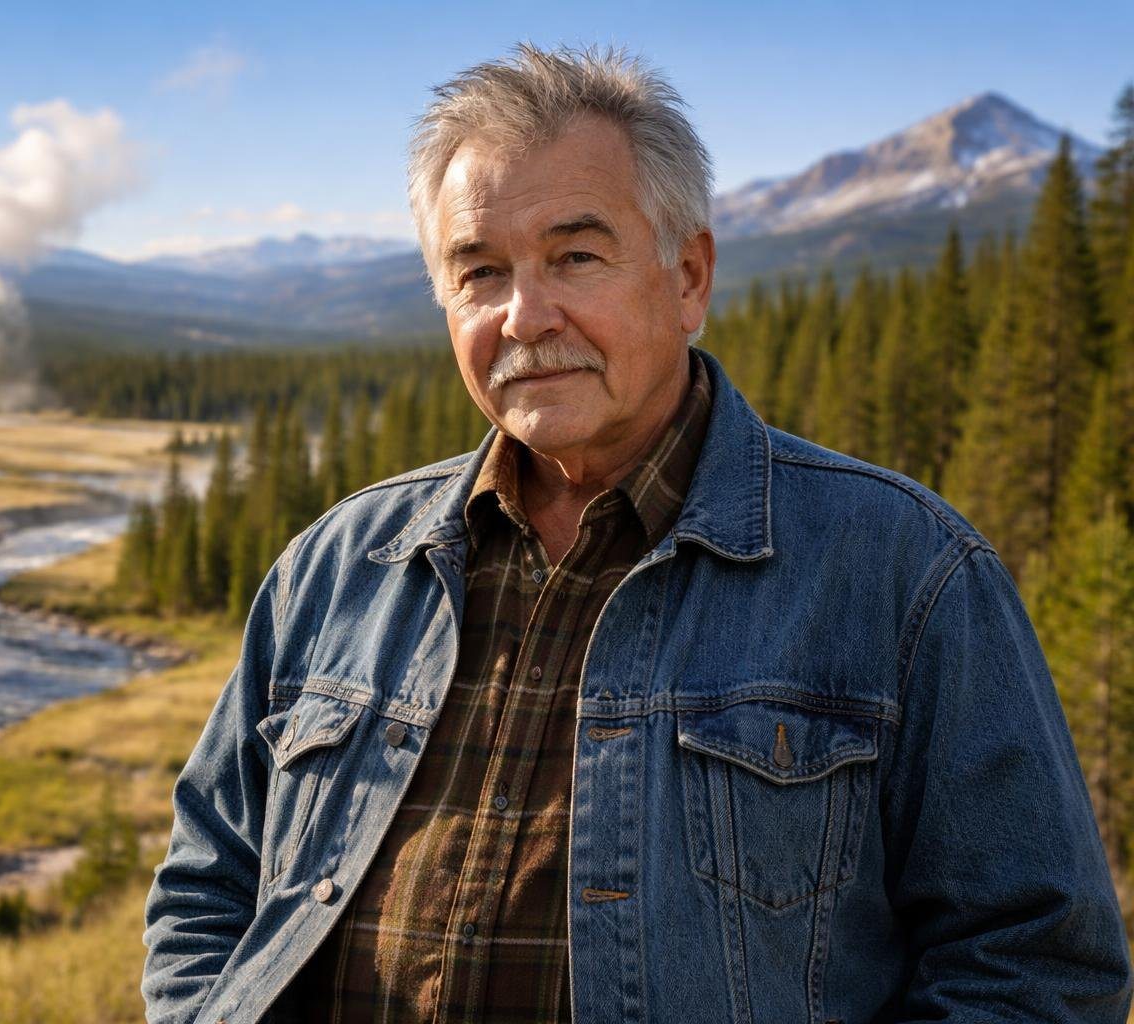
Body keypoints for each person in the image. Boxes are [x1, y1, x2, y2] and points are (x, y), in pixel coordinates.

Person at [142, 41, 1133, 1023]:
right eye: (480, 270)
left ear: (689, 277)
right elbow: (206, 885)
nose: (525, 315)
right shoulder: (336, 566)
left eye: (576, 255)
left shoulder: (906, 572)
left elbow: (1037, 965)